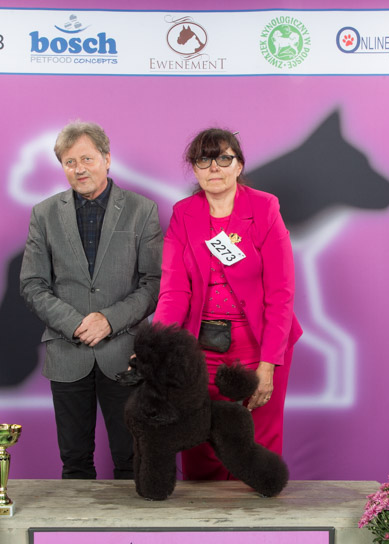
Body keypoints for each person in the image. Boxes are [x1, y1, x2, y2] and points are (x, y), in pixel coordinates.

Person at [153, 128, 302, 480]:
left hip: (260, 344)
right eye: (203, 160)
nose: (214, 168)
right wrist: (159, 349)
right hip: (201, 346)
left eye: (223, 158)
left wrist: (268, 364)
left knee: (257, 443)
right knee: (199, 440)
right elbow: (174, 291)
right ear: (194, 169)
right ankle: (203, 517)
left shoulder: (265, 208)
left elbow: (280, 293)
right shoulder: (183, 213)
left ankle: (259, 509)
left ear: (239, 165)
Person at [20, 121, 163, 479]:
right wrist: (75, 324)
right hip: (67, 352)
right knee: (75, 462)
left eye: (87, 159)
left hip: (125, 353)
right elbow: (33, 284)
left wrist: (109, 320)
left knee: (133, 459)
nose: (79, 169)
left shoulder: (142, 209)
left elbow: (154, 282)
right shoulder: (44, 214)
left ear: (107, 159)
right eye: (70, 162)